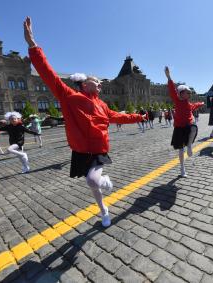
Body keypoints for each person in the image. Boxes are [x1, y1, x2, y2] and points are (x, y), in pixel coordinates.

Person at [24, 17, 145, 227]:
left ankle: (105, 181)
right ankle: (104, 210)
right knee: (92, 187)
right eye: (96, 81)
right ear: (85, 83)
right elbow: (49, 75)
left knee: (93, 180)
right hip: (80, 150)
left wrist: (139, 117)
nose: (99, 85)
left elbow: (120, 116)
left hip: (98, 149)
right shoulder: (69, 97)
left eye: (100, 84)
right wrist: (33, 45)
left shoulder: (103, 105)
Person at [164, 66, 204, 177]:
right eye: (188, 93)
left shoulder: (188, 103)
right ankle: (182, 168)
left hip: (188, 125)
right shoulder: (177, 100)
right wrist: (168, 76)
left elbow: (194, 105)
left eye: (190, 93)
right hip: (178, 127)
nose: (189, 95)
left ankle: (190, 145)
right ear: (181, 93)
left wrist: (201, 103)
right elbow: (172, 89)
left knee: (194, 127)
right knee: (181, 150)